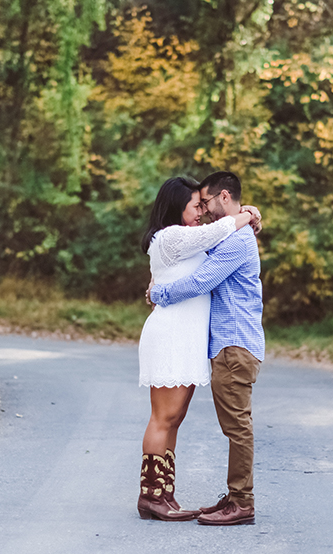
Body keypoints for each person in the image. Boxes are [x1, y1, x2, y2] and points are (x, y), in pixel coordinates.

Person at [137, 176, 261, 522]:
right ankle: (152, 496)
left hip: (195, 339)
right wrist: (247, 214)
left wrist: (247, 213)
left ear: (223, 196)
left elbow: (205, 255)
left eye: (204, 204)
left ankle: (164, 495)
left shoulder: (209, 239)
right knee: (165, 417)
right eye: (196, 205)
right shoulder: (176, 236)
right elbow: (202, 264)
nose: (201, 212)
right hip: (173, 335)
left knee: (174, 418)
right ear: (177, 208)